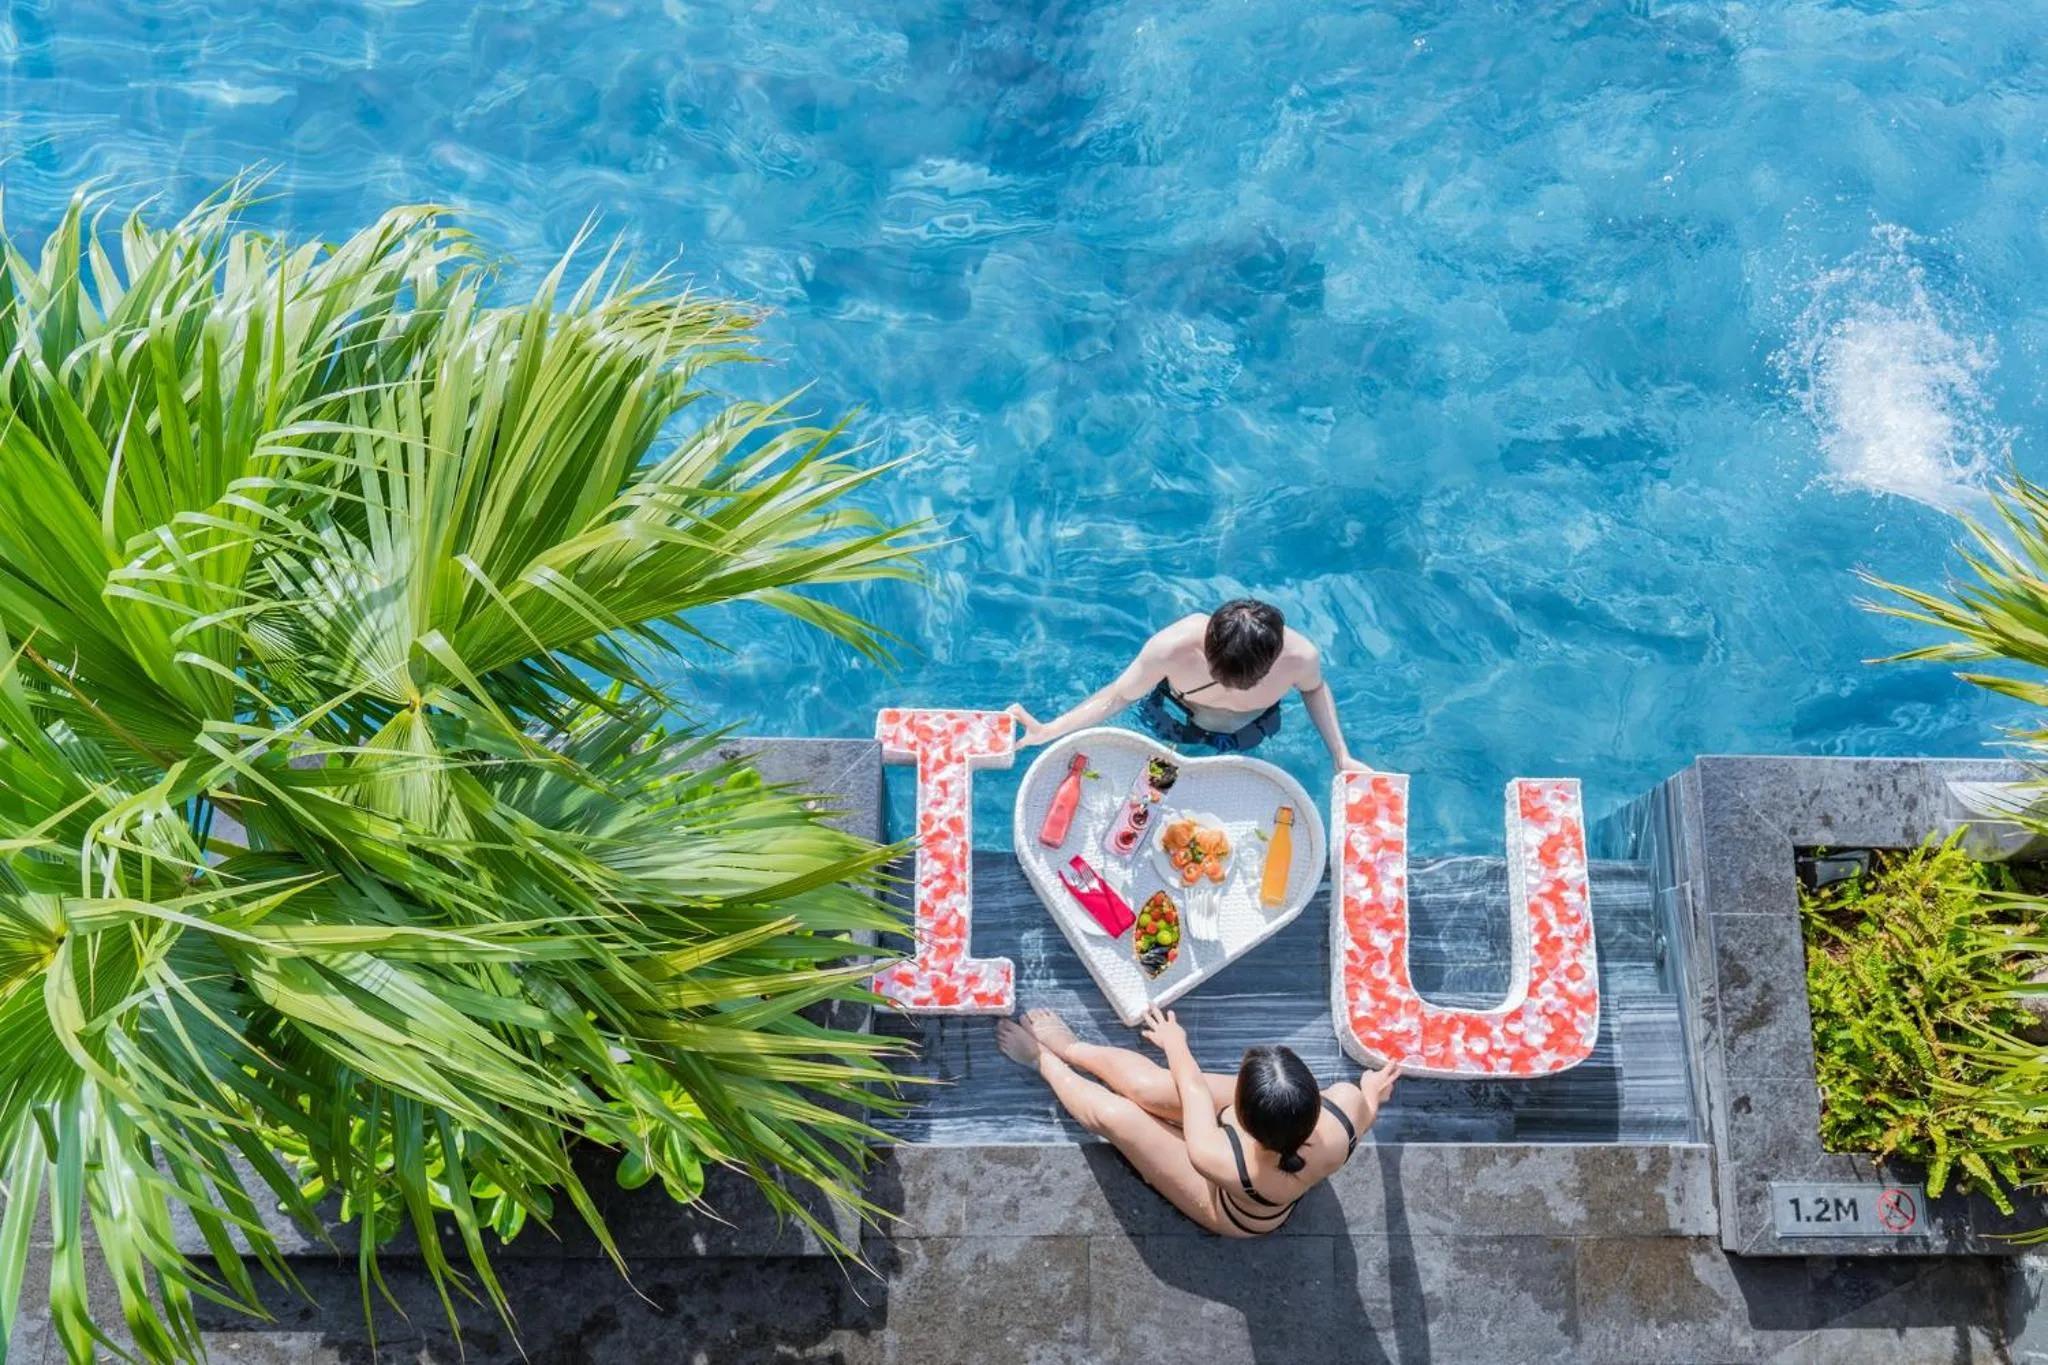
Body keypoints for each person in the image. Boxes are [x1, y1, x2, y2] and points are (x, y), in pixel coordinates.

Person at [994, 1007, 1400, 1238]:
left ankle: (1044, 1061)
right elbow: (1366, 1106)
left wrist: (1176, 1041)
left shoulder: (1213, 1156)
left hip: (1231, 1204)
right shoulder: (1344, 1108)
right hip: (1271, 1138)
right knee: (1149, 1087)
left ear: (1240, 1111)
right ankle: (1074, 1049)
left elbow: (1193, 1089)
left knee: (1117, 1115)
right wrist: (1372, 1090)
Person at [1004, 598, 1370, 767]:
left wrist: (1340, 754)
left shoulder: (1300, 658)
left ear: (1274, 658)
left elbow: (1314, 690)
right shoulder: (1171, 648)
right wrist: (1050, 730)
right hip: (1176, 719)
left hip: (1251, 729)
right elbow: (1118, 695)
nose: (1231, 691)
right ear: (1206, 650)